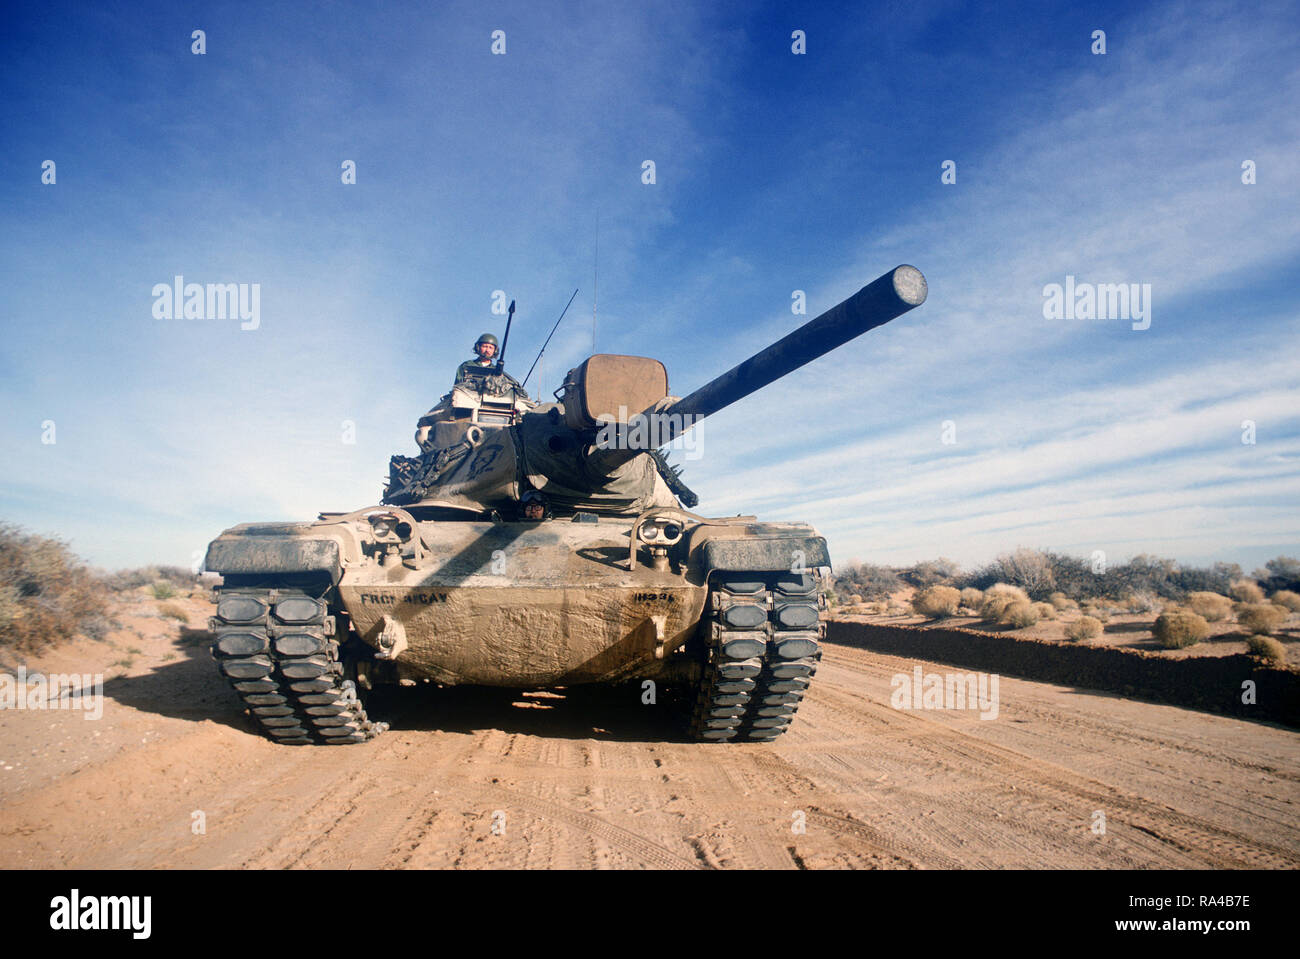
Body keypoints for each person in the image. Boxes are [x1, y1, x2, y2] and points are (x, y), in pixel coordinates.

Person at [455, 333, 520, 388]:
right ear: (478, 347)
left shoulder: (497, 371)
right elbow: (458, 386)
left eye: (490, 348)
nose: (487, 350)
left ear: (495, 351)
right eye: (485, 346)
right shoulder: (467, 365)